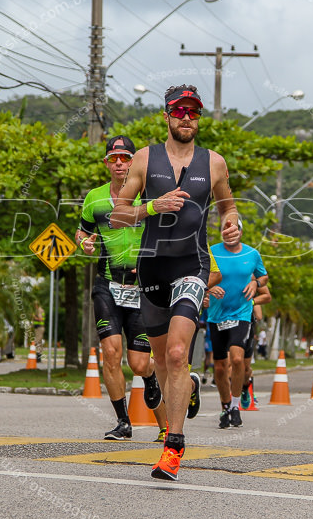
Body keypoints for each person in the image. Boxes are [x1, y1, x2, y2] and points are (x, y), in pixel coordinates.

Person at [110, 84, 240, 481]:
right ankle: (186, 393)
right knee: (164, 361)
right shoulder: (145, 159)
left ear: (199, 118)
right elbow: (118, 215)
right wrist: (153, 206)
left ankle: (174, 446)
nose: (187, 118)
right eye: (179, 112)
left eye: (193, 113)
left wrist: (232, 222)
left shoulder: (214, 162)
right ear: (166, 116)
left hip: (192, 264)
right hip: (151, 266)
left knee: (179, 353)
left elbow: (227, 204)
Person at [77, 135, 168, 442]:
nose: (119, 163)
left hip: (143, 287)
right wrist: (84, 243)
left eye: (125, 158)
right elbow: (83, 231)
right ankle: (123, 423)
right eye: (113, 158)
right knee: (110, 354)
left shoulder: (148, 197)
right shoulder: (95, 198)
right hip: (107, 285)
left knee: (139, 363)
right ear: (106, 163)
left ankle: (154, 379)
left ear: (134, 162)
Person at [206, 236, 268, 429]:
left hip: (241, 314)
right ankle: (225, 407)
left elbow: (264, 276)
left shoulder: (252, 253)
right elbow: (198, 275)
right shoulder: (212, 251)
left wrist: (256, 284)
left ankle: (235, 406)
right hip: (217, 316)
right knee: (220, 368)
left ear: (240, 232)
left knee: (238, 359)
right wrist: (208, 288)